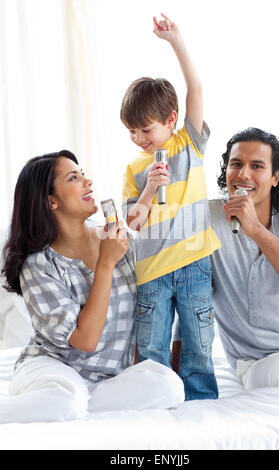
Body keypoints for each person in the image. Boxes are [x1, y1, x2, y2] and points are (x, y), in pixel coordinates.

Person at [0, 150, 184, 424]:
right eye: (74, 178)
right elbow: (85, 340)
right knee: (66, 398)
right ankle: (64, 403)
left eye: (83, 174)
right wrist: (106, 264)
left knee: (168, 386)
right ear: (51, 201)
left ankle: (74, 406)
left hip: (104, 380)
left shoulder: (117, 240)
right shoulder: (38, 264)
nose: (88, 183)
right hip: (53, 368)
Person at [121, 14, 221, 400]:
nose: (139, 138)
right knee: (151, 346)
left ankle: (199, 403)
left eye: (146, 130)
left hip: (195, 263)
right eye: (132, 131)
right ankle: (154, 402)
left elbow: (195, 87)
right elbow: (133, 222)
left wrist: (176, 41)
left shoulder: (188, 146)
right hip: (152, 271)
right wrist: (147, 191)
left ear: (171, 121)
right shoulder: (134, 169)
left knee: (198, 339)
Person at [173, 127, 279, 390]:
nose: (243, 175)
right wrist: (176, 375)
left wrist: (255, 231)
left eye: (256, 166)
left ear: (276, 177)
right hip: (254, 364)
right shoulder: (207, 219)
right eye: (236, 164)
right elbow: (192, 302)